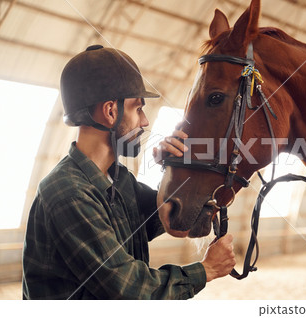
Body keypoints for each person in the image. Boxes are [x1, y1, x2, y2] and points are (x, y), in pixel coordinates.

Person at [22, 45, 236, 299]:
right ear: (111, 111)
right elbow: (129, 289)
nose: (145, 121)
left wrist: (171, 169)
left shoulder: (118, 180)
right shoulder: (68, 193)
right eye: (138, 108)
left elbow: (173, 218)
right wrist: (207, 269)